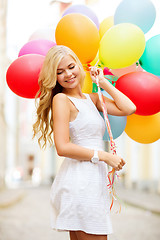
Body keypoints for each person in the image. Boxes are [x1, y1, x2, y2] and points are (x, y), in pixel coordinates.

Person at [33, 45, 136, 240]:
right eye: (59, 72)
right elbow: (62, 147)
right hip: (79, 183)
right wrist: (105, 156)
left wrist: (103, 81)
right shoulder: (62, 100)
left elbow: (129, 108)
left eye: (71, 67)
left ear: (79, 66)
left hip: (93, 180)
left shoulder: (92, 99)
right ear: (54, 77)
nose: (68, 74)